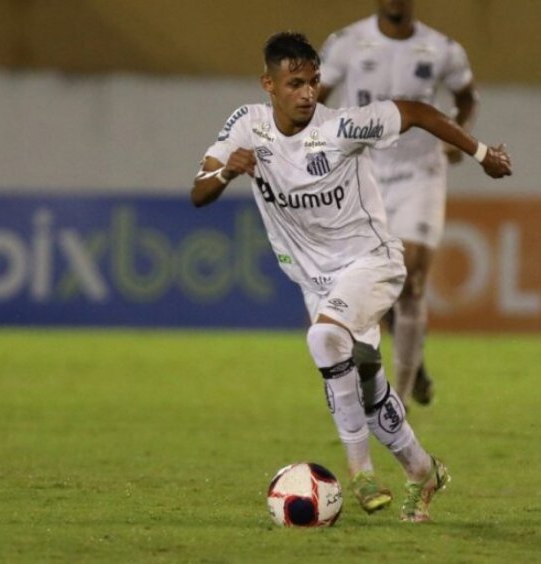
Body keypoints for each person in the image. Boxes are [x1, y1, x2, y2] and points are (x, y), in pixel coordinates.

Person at [191, 31, 510, 522]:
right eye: (295, 83)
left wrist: (482, 152)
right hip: (316, 281)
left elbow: (419, 111)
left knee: (323, 338)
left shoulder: (342, 127)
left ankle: (359, 475)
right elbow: (199, 191)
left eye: (314, 81)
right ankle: (423, 470)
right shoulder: (246, 126)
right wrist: (225, 173)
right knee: (365, 388)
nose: (307, 93)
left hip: (371, 262)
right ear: (268, 85)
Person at [318, 0, 480, 408]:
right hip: (362, 173)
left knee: (412, 281)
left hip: (420, 174)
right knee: (371, 282)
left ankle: (400, 399)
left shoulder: (442, 49)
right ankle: (415, 360)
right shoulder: (346, 43)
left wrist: (458, 134)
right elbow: (313, 97)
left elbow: (467, 96)